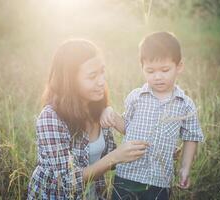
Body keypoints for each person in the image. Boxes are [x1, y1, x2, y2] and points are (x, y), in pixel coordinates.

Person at [27, 39, 149, 200]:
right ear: (69, 80)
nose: (101, 81)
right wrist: (116, 156)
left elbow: (112, 158)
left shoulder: (97, 109)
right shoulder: (51, 118)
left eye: (102, 72)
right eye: (92, 76)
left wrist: (155, 148)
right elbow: (67, 182)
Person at [100, 32, 205, 200]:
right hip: (127, 175)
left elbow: (191, 137)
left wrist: (185, 168)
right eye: (150, 71)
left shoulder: (185, 104)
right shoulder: (136, 97)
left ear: (179, 66)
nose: (157, 77)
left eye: (165, 70)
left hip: (159, 180)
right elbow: (127, 127)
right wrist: (110, 114)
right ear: (142, 68)